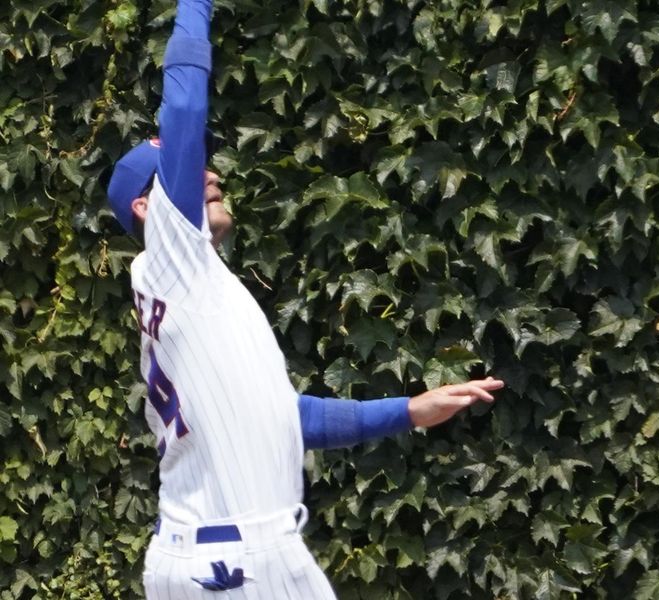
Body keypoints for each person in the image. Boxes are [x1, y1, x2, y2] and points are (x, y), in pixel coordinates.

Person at [106, 0, 504, 597]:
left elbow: (287, 419)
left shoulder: (191, 293)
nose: (210, 175)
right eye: (188, 170)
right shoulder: (172, 256)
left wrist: (408, 411)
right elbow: (185, 104)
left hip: (217, 553)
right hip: (234, 560)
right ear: (150, 209)